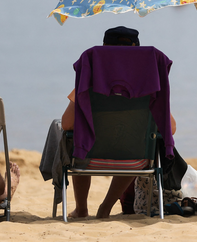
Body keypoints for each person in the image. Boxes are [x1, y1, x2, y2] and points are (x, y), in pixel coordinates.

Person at [61, 26, 177, 219]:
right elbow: (171, 128)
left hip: (87, 160)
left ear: (104, 49)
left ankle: (81, 209)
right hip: (136, 160)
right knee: (133, 143)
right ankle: (105, 208)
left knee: (71, 138)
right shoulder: (149, 88)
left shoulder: (88, 82)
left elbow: (66, 124)